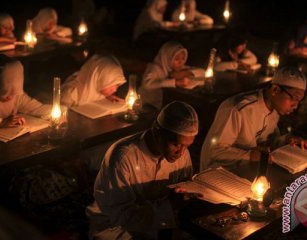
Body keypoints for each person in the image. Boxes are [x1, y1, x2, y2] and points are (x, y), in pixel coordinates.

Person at [86, 101, 199, 239]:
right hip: (115, 226)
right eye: (175, 144)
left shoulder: (182, 154)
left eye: (187, 146)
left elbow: (184, 190)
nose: (181, 152)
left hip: (160, 219)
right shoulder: (123, 157)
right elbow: (122, 217)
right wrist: (168, 206)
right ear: (157, 132)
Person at [200, 66, 307, 171]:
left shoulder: (275, 110)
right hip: (218, 172)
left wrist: (287, 140)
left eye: (299, 100)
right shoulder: (239, 109)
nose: (295, 106)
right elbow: (214, 151)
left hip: (247, 169)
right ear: (275, 90)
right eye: (294, 98)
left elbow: (266, 144)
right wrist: (251, 155)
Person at [139, 40, 205, 110]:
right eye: (176, 59)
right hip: (148, 105)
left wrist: (186, 73)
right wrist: (174, 82)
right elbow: (147, 85)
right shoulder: (155, 68)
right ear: (167, 57)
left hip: (164, 105)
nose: (180, 62)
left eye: (183, 58)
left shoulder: (178, 68)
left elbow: (202, 72)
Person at [0, 54, 51, 127]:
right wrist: (0, 123)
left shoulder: (17, 96)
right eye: (4, 92)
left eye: (13, 92)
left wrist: (61, 111)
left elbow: (37, 108)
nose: (10, 97)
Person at [61, 54, 126, 107]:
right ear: (98, 78)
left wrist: (110, 97)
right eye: (111, 84)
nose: (115, 90)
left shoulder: (101, 90)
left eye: (117, 85)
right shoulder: (70, 94)